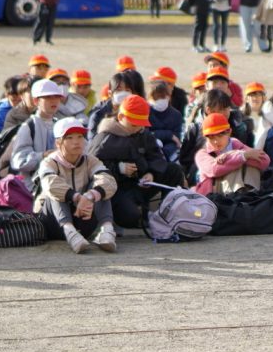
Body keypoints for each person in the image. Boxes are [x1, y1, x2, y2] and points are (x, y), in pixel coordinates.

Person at [88, 95, 185, 228]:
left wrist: (152, 173)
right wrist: (119, 168)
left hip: (143, 183)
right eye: (134, 124)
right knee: (130, 217)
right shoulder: (104, 139)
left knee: (174, 170)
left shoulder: (143, 133)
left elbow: (156, 156)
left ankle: (171, 212)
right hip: (119, 190)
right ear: (121, 117)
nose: (138, 128)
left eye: (142, 124)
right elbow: (92, 167)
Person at [36, 117, 118, 253]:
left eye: (80, 136)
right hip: (55, 223)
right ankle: (70, 232)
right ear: (58, 143)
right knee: (54, 191)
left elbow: (109, 181)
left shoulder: (90, 160)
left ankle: (107, 231)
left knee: (101, 187)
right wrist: (78, 198)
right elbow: (50, 185)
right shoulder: (49, 162)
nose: (76, 142)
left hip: (83, 216)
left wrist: (90, 196)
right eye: (69, 138)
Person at [194, 113, 270, 195]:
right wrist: (242, 156)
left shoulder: (237, 145)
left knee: (251, 166)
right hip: (213, 194)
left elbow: (264, 161)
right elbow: (214, 170)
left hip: (243, 190)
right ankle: (238, 197)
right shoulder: (202, 154)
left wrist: (233, 154)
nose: (215, 141)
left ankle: (250, 195)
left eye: (220, 136)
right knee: (234, 165)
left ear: (229, 132)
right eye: (211, 138)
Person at [10, 80, 64, 178]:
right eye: (48, 97)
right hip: (34, 183)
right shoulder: (29, 126)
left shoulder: (61, 124)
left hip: (60, 180)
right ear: (36, 101)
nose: (54, 100)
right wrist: (42, 156)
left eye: (57, 96)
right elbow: (18, 161)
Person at [147, 81, 183, 162]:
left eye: (163, 97)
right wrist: (169, 135)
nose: (160, 100)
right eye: (156, 98)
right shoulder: (145, 113)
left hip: (169, 154)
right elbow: (145, 134)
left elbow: (177, 140)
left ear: (169, 96)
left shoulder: (176, 115)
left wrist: (163, 152)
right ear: (149, 98)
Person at [242, 82, 271, 150]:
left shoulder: (269, 116)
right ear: (246, 99)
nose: (255, 98)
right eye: (252, 95)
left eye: (259, 95)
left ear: (264, 98)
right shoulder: (239, 117)